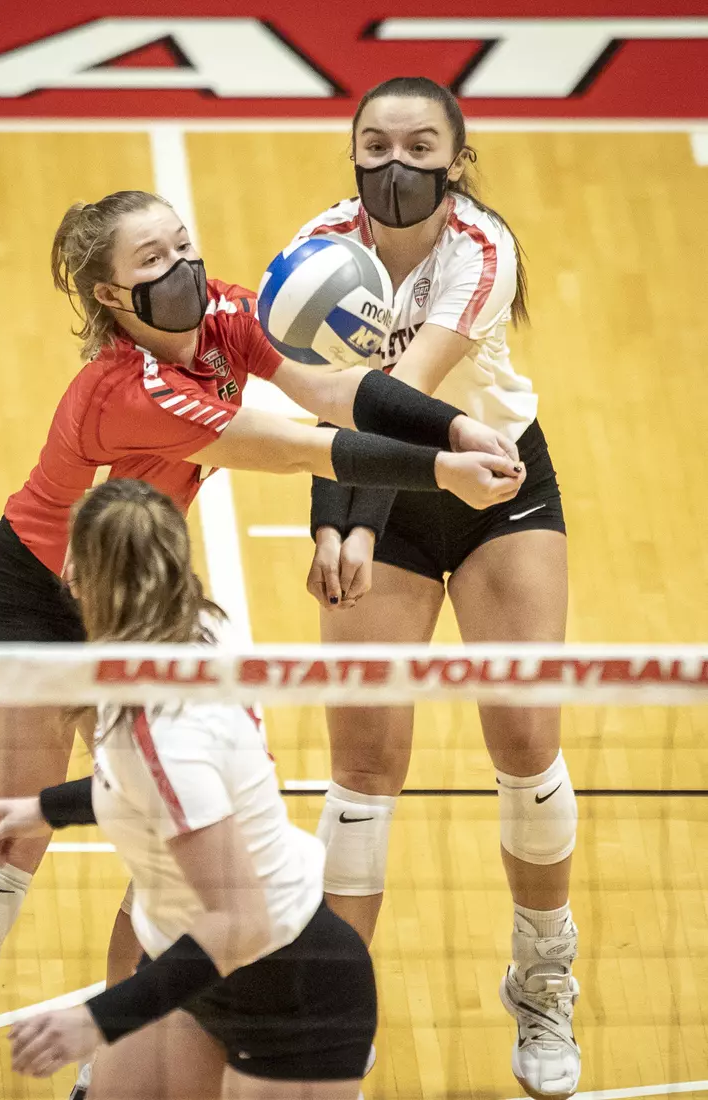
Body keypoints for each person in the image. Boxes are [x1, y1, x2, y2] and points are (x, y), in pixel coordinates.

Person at [0, 187, 524, 1100]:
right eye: (150, 261)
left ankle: (106, 1062)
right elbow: (290, 443)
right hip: (32, 603)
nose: (180, 268)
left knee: (169, 854)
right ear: (111, 298)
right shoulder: (128, 389)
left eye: (181, 244)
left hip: (135, 603)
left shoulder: (226, 314)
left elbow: (330, 386)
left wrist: (457, 422)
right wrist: (440, 472)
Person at [300, 78, 578, 1100]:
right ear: (352, 153)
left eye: (420, 145)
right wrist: (336, 521)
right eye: (374, 143)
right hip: (381, 487)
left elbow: (400, 393)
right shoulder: (320, 250)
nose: (394, 162)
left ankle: (542, 974)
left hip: (494, 482)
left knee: (523, 737)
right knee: (364, 757)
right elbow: (320, 400)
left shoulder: (481, 249)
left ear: (455, 161)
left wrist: (353, 517)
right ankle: (333, 1007)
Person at [0, 478, 378, 1100]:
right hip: (191, 971)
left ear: (91, 578)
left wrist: (95, 1020)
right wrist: (39, 809)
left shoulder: (159, 731)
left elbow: (241, 920)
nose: (65, 562)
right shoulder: (191, 637)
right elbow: (137, 785)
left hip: (290, 992)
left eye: (76, 549)